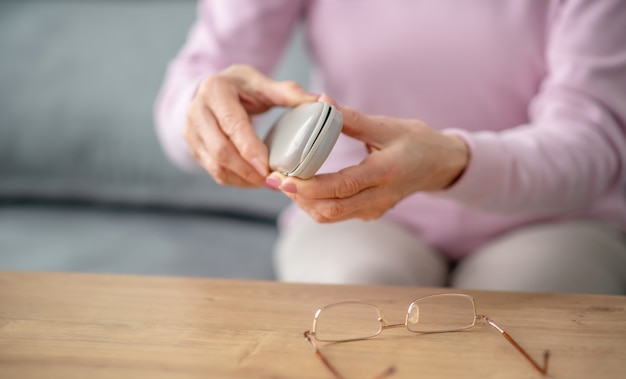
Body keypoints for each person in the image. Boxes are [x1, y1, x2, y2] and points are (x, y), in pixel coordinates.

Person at [155, 1, 626, 294]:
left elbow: (595, 142)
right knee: (353, 305)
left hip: (554, 216)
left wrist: (452, 165)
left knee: (517, 329)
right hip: (347, 207)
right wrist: (202, 116)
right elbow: (194, 83)